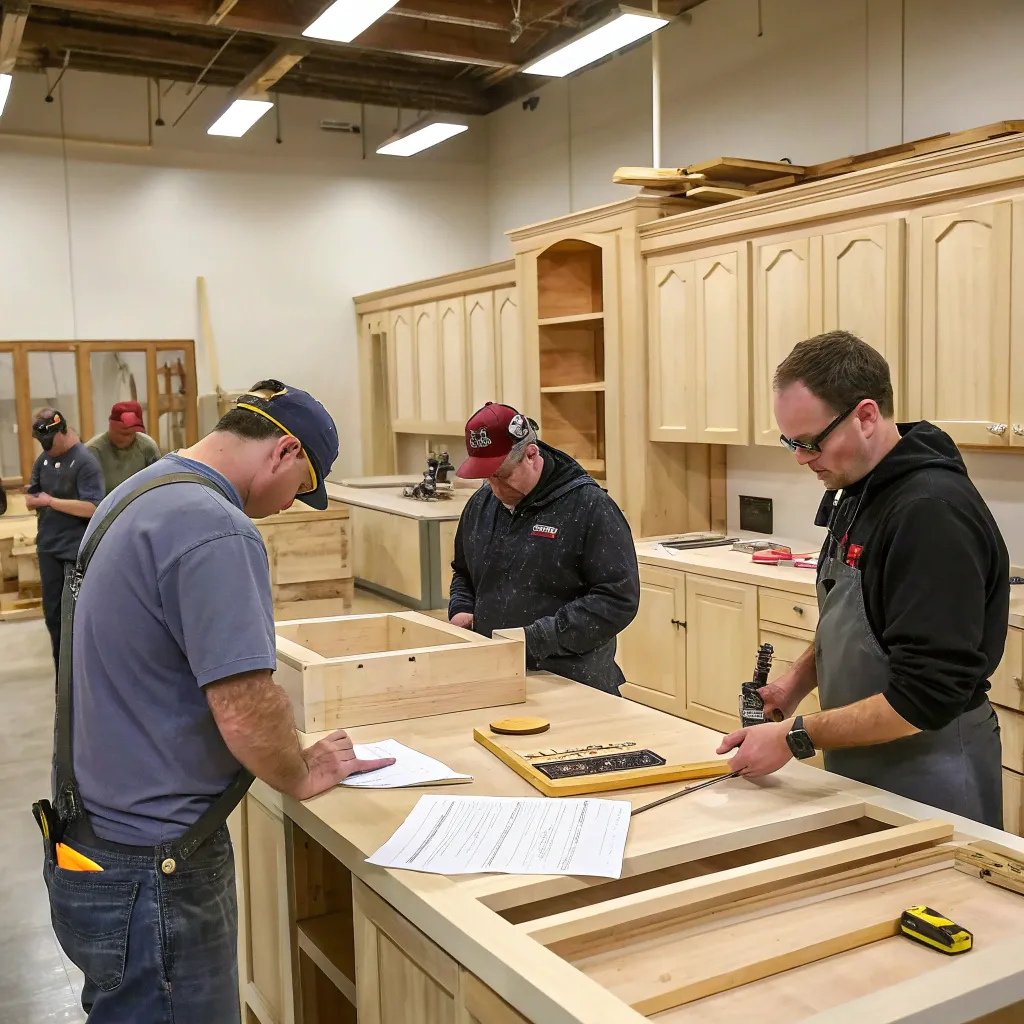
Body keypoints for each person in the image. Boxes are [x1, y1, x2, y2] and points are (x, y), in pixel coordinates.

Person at [42, 381, 394, 1023]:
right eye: (299, 488)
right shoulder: (214, 526)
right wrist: (301, 769)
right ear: (284, 451)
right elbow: (245, 707)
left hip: (94, 844)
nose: (287, 507)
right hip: (156, 868)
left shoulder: (138, 492)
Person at [717, 331, 1007, 827]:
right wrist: (793, 684)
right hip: (866, 761)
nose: (801, 457)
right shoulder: (857, 488)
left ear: (867, 416)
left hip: (932, 774)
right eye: (791, 442)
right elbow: (858, 620)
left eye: (810, 442)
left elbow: (925, 697)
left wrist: (794, 735)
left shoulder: (929, 514)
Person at [449, 402, 639, 694]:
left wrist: (538, 638)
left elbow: (617, 599)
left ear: (531, 454)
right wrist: (461, 608)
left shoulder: (589, 506)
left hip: (572, 682)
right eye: (487, 477)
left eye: (502, 475)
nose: (495, 488)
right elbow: (463, 572)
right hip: (500, 672)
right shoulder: (481, 505)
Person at [25, 408, 104, 669]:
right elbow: (31, 496)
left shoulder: (84, 461)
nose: (46, 447)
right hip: (48, 547)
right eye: (41, 442)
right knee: (54, 616)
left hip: (73, 550)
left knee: (75, 616)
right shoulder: (43, 461)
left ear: (63, 430)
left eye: (49, 441)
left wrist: (51, 502)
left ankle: (82, 673)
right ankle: (63, 676)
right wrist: (34, 500)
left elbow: (93, 507)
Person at [86, 400, 162, 494]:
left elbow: (159, 483)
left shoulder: (148, 447)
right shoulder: (93, 451)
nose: (123, 438)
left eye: (128, 434)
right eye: (119, 433)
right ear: (110, 426)